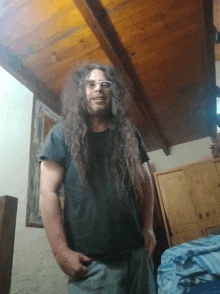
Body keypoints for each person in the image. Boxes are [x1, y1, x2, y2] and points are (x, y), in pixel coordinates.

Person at [38, 63, 157, 293]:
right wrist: (60, 251)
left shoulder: (130, 134)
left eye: (105, 84)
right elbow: (47, 193)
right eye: (90, 84)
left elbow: (145, 181)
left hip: (136, 255)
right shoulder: (60, 134)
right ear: (80, 92)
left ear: (113, 92)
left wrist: (148, 226)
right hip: (92, 264)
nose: (98, 89)